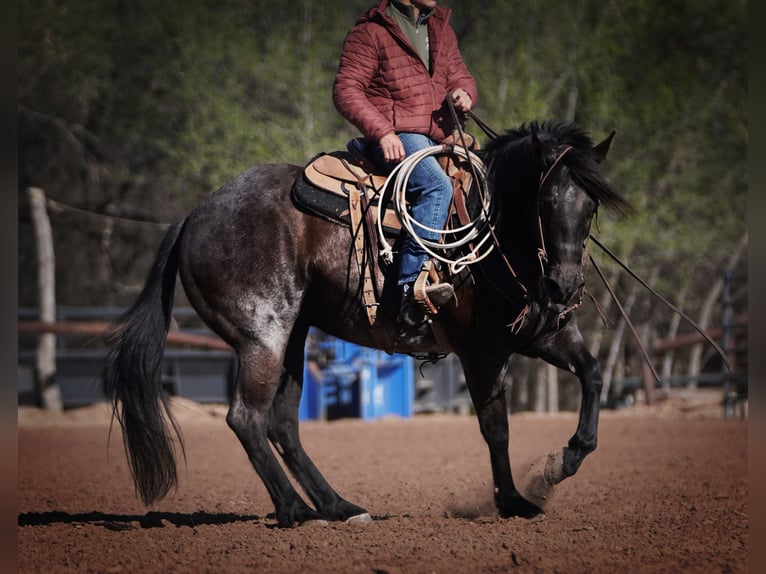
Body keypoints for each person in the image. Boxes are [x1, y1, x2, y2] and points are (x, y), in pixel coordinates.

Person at [333, 0, 478, 328]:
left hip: (440, 137)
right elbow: (346, 89)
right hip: (399, 137)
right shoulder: (371, 31)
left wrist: (465, 93)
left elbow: (461, 76)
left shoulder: (440, 27)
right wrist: (382, 132)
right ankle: (404, 292)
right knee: (437, 187)